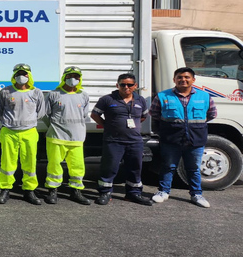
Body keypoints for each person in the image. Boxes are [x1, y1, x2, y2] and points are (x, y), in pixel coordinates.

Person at [149, 67, 216, 208]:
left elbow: (211, 114)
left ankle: (197, 194)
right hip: (171, 138)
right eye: (179, 77)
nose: (183, 80)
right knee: (168, 166)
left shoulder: (204, 96)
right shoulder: (163, 96)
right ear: (174, 80)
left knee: (193, 168)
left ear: (193, 80)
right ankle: (163, 191)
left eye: (186, 77)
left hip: (195, 139)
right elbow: (154, 114)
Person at [91, 73, 152, 206]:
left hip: (135, 141)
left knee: (135, 168)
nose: (126, 87)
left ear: (135, 86)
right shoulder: (107, 99)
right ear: (117, 85)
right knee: (109, 167)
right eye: (122, 84)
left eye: (130, 85)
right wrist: (108, 125)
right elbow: (95, 114)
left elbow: (143, 116)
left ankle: (133, 193)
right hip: (113, 140)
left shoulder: (140, 100)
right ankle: (105, 192)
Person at [0, 64, 45, 205]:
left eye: (25, 73)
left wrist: (27, 121)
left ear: (29, 75)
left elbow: (41, 112)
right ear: (14, 75)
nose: (21, 76)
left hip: (29, 132)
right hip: (9, 132)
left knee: (30, 163)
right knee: (7, 162)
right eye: (18, 73)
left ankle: (29, 190)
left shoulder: (36, 92)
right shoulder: (5, 92)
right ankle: (5, 189)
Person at [43, 66, 91, 205]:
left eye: (76, 77)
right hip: (56, 137)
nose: (73, 80)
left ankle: (76, 191)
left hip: (76, 138)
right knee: (54, 165)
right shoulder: (54, 94)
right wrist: (54, 126)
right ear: (64, 78)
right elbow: (45, 115)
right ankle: (53, 190)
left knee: (77, 166)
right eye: (70, 76)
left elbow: (84, 115)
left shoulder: (83, 95)